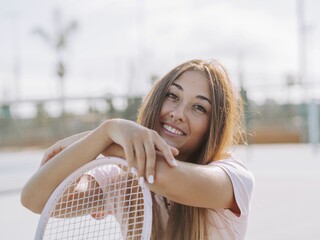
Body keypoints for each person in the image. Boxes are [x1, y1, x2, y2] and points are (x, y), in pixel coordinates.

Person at [21, 59, 254, 239]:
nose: (178, 113)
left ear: (214, 125)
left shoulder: (235, 178)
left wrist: (105, 139)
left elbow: (161, 173)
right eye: (172, 95)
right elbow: (35, 199)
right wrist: (106, 132)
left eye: (199, 107)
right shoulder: (122, 180)